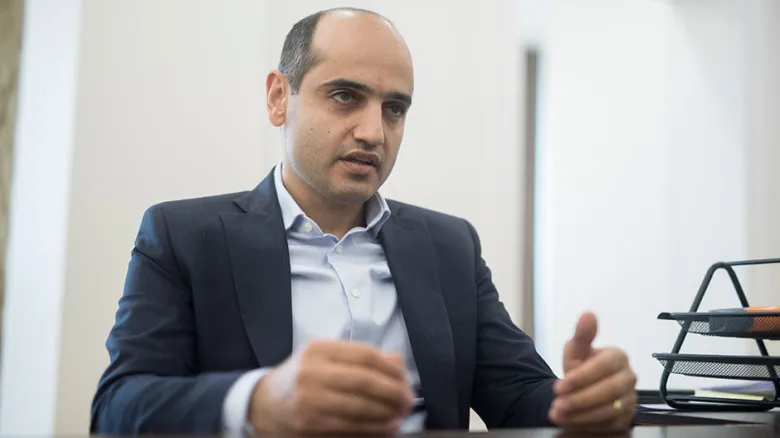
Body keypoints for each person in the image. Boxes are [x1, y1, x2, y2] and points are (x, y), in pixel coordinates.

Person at [91, 7, 637, 435]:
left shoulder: (449, 247)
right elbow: (117, 408)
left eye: (394, 108)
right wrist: (259, 402)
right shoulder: (184, 237)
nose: (374, 132)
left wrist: (583, 401)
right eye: (345, 96)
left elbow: (520, 398)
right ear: (279, 98)